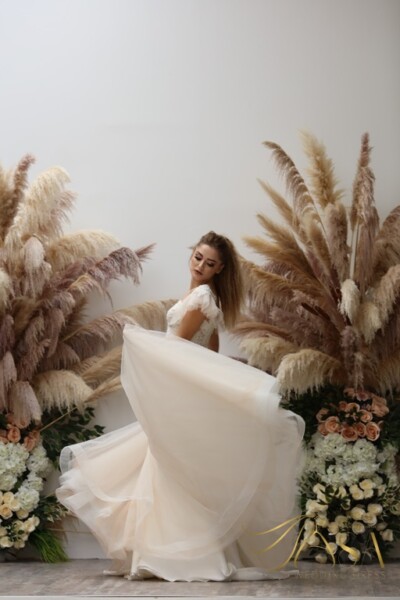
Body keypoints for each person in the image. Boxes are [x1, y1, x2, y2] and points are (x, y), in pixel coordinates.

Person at [56, 231, 305, 582]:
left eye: (210, 263)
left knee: (165, 463)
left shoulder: (201, 298)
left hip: (177, 391)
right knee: (166, 465)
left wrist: (140, 340)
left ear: (220, 269)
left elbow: (178, 349)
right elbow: (210, 354)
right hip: (181, 393)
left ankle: (169, 554)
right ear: (192, 254)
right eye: (198, 257)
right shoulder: (206, 300)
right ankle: (163, 552)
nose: (200, 265)